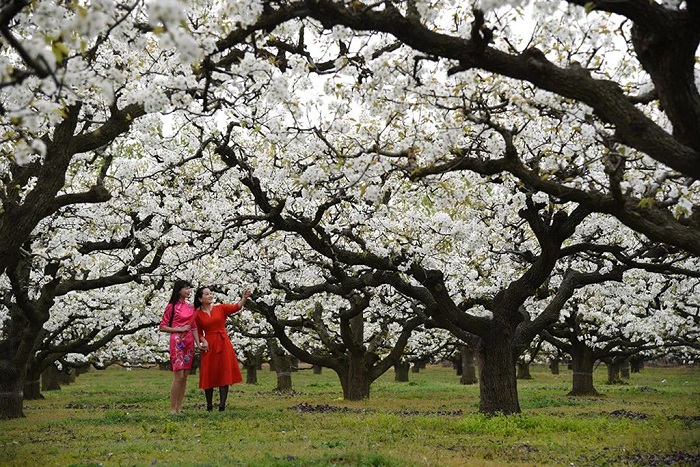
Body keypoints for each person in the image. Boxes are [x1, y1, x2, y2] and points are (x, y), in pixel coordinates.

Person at [193, 286, 251, 411]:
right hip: (209, 344)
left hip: (223, 342)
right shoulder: (197, 314)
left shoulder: (220, 308)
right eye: (207, 294)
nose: (210, 295)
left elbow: (236, 307)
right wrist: (203, 340)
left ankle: (222, 405)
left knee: (223, 371)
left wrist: (244, 298)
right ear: (200, 298)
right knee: (209, 372)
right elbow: (196, 331)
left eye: (210, 293)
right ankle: (209, 405)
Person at [159, 279, 202, 414]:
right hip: (177, 342)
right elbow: (163, 327)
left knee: (185, 377)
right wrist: (179, 329)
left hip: (189, 343)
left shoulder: (191, 307)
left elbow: (194, 327)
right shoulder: (171, 307)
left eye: (189, 288)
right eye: (186, 288)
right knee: (178, 376)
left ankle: (179, 407)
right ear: (179, 290)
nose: (188, 291)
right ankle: (172, 408)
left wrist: (198, 343)